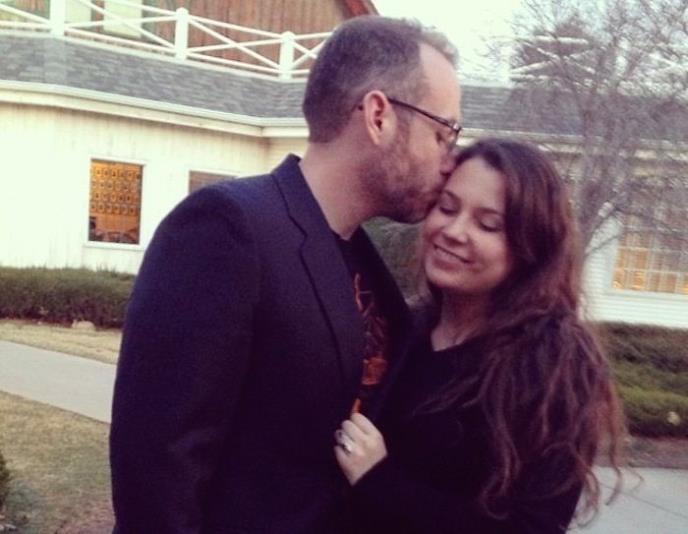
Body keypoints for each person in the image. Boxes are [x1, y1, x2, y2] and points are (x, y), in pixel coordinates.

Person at [109, 15, 462, 534]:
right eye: (443, 133)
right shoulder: (227, 227)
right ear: (379, 116)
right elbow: (156, 468)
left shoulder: (369, 266)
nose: (450, 161)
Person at [335, 138, 625, 533]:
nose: (454, 231)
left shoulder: (554, 364)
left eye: (488, 225)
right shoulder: (404, 328)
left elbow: (533, 527)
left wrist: (381, 482)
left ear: (530, 246)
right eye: (447, 207)